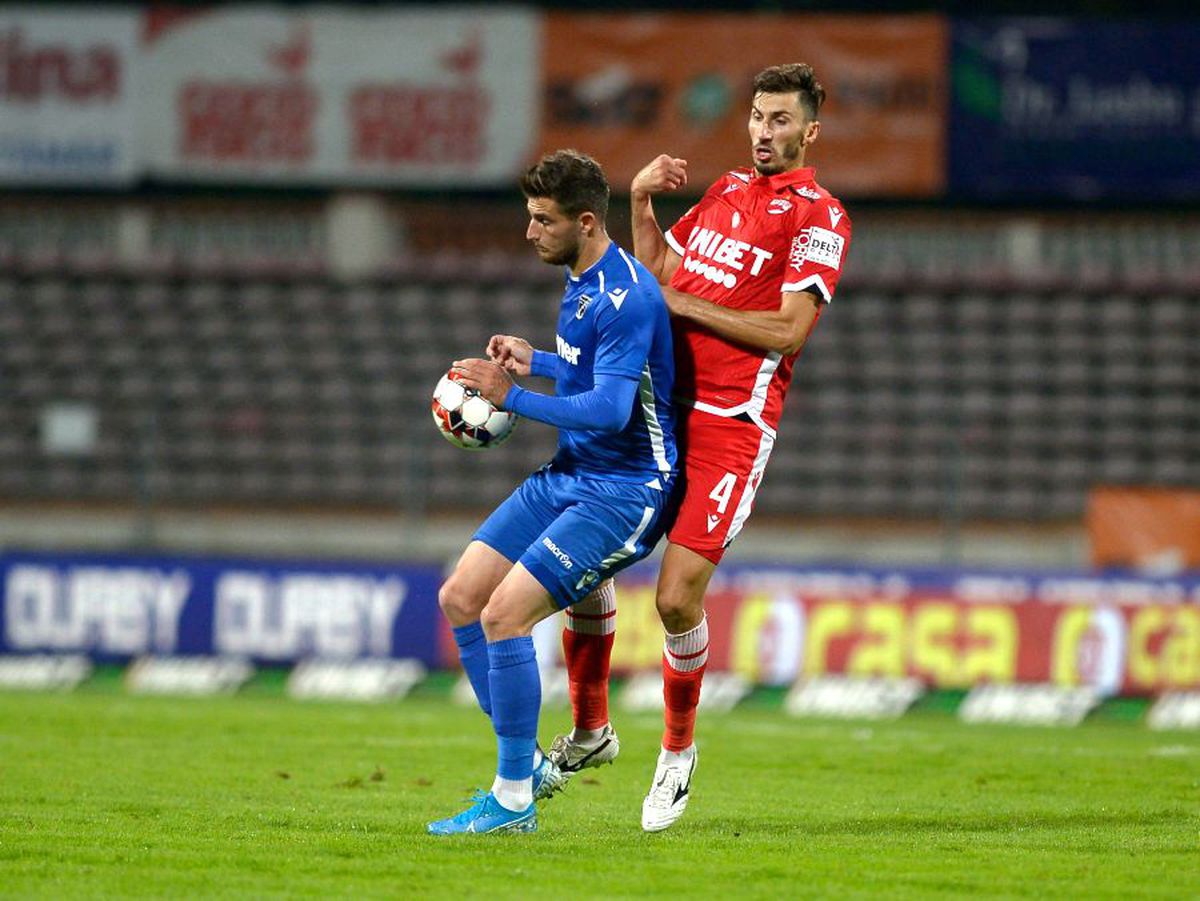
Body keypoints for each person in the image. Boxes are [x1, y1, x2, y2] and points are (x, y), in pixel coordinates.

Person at [545, 63, 853, 832]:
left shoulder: (821, 217)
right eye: (756, 116)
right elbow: (657, 278)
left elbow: (788, 331)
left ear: (810, 130)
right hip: (663, 412)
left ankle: (677, 752)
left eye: (781, 120)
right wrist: (642, 202)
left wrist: (685, 301)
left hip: (731, 425)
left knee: (676, 596)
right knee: (584, 563)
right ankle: (591, 730)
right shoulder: (721, 193)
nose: (763, 131)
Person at [427, 149, 678, 835]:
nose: (529, 232)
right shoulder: (580, 279)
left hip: (625, 491)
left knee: (505, 615)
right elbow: (586, 371)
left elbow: (611, 410)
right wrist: (535, 360)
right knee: (461, 597)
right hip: (572, 474)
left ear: (587, 221)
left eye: (543, 220)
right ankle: (527, 763)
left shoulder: (626, 297)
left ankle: (512, 800)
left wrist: (517, 394)